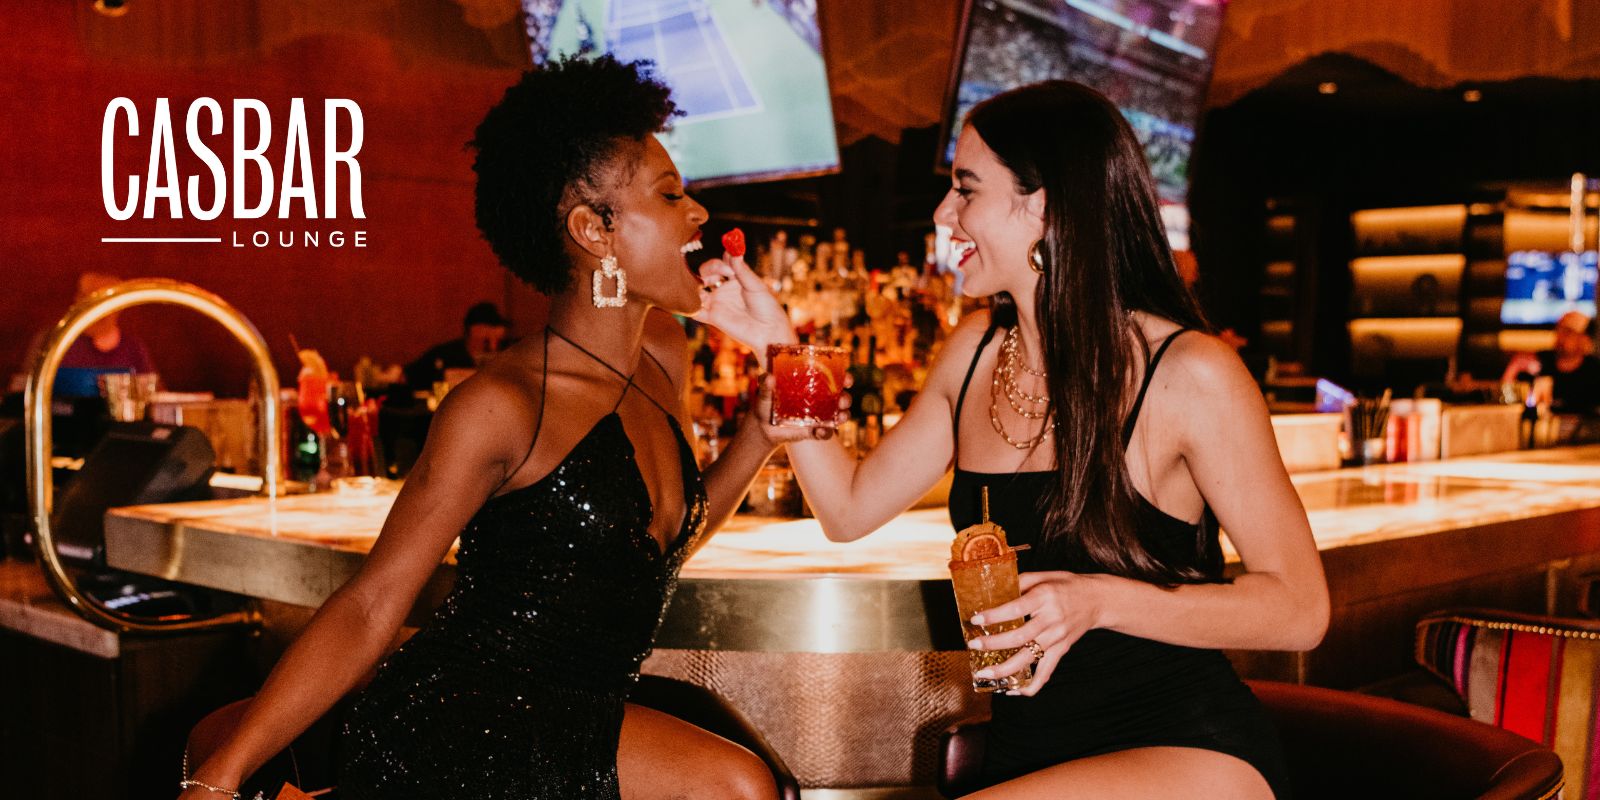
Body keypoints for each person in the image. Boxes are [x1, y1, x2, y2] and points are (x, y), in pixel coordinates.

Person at [179, 55, 808, 800]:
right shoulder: (502, 403)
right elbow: (373, 603)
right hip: (463, 718)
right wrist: (218, 780)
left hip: (582, 712)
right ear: (591, 229)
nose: (698, 212)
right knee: (736, 786)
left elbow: (652, 554)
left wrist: (759, 438)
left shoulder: (665, 355)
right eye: (669, 195)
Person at [742, 81, 1329, 798]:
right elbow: (847, 509)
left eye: (965, 190)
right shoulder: (974, 352)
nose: (942, 215)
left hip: (1183, 747)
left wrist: (1099, 601)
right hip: (1029, 753)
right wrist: (779, 346)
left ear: (1045, 205)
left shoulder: (1191, 372)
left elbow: (1302, 610)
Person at [1501, 310, 1600, 412]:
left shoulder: (1594, 371)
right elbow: (1507, 399)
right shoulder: (1539, 361)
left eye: (1568, 332)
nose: (1560, 336)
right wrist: (1514, 367)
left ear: (1584, 339)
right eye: (1558, 330)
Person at [404, 301, 511, 390]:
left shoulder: (508, 353)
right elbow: (411, 375)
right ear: (473, 330)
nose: (493, 345)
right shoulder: (447, 353)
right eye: (487, 340)